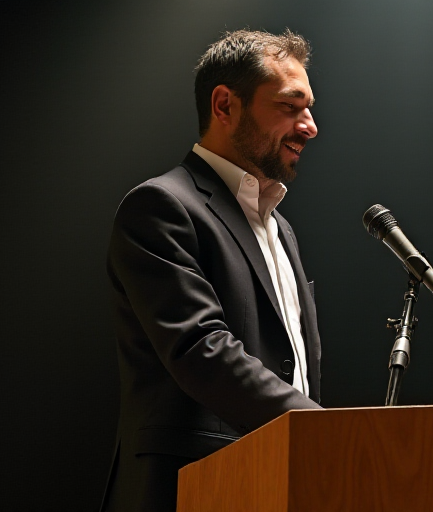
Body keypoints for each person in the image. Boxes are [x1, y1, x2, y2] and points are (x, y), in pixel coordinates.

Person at [100, 29, 323, 512]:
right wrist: (326, 432)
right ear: (225, 106)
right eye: (291, 106)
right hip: (191, 489)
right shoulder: (161, 207)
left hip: (278, 483)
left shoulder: (281, 228)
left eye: (309, 109)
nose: (310, 126)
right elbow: (200, 348)